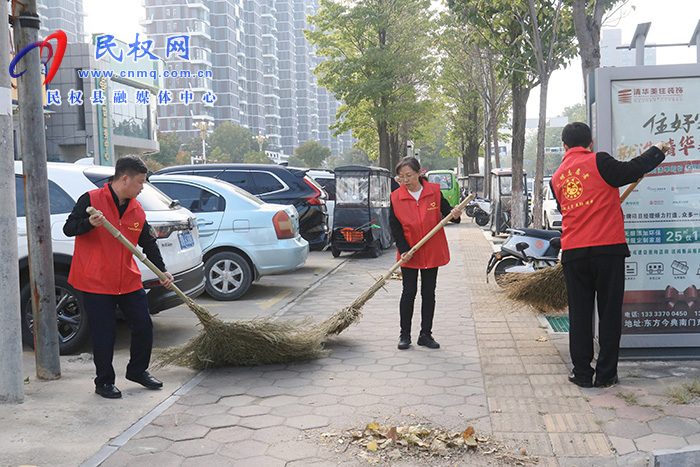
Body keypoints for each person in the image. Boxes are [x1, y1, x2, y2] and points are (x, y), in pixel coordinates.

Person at [551, 122, 668, 389]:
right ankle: (605, 375)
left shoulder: (557, 177)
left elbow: (566, 208)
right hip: (607, 250)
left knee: (580, 315)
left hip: (574, 252)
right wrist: (657, 150)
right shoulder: (599, 161)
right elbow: (631, 170)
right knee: (609, 312)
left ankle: (581, 374)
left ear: (565, 146)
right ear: (590, 143)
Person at [63, 155, 174, 399]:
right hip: (96, 280)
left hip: (128, 278)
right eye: (140, 182)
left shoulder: (136, 209)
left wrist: (162, 270)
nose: (142, 187)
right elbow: (69, 228)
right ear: (125, 179)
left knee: (143, 325)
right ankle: (104, 381)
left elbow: (149, 244)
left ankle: (138, 371)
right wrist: (89, 223)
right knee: (105, 333)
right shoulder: (91, 200)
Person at [389, 157, 462, 350]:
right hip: (409, 252)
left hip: (431, 249)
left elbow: (448, 214)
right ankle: (404, 335)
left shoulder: (434, 192)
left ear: (419, 173)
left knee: (428, 292)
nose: (405, 180)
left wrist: (455, 214)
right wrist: (404, 249)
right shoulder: (396, 197)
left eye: (409, 175)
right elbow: (395, 227)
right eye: (401, 176)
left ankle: (425, 335)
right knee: (409, 292)